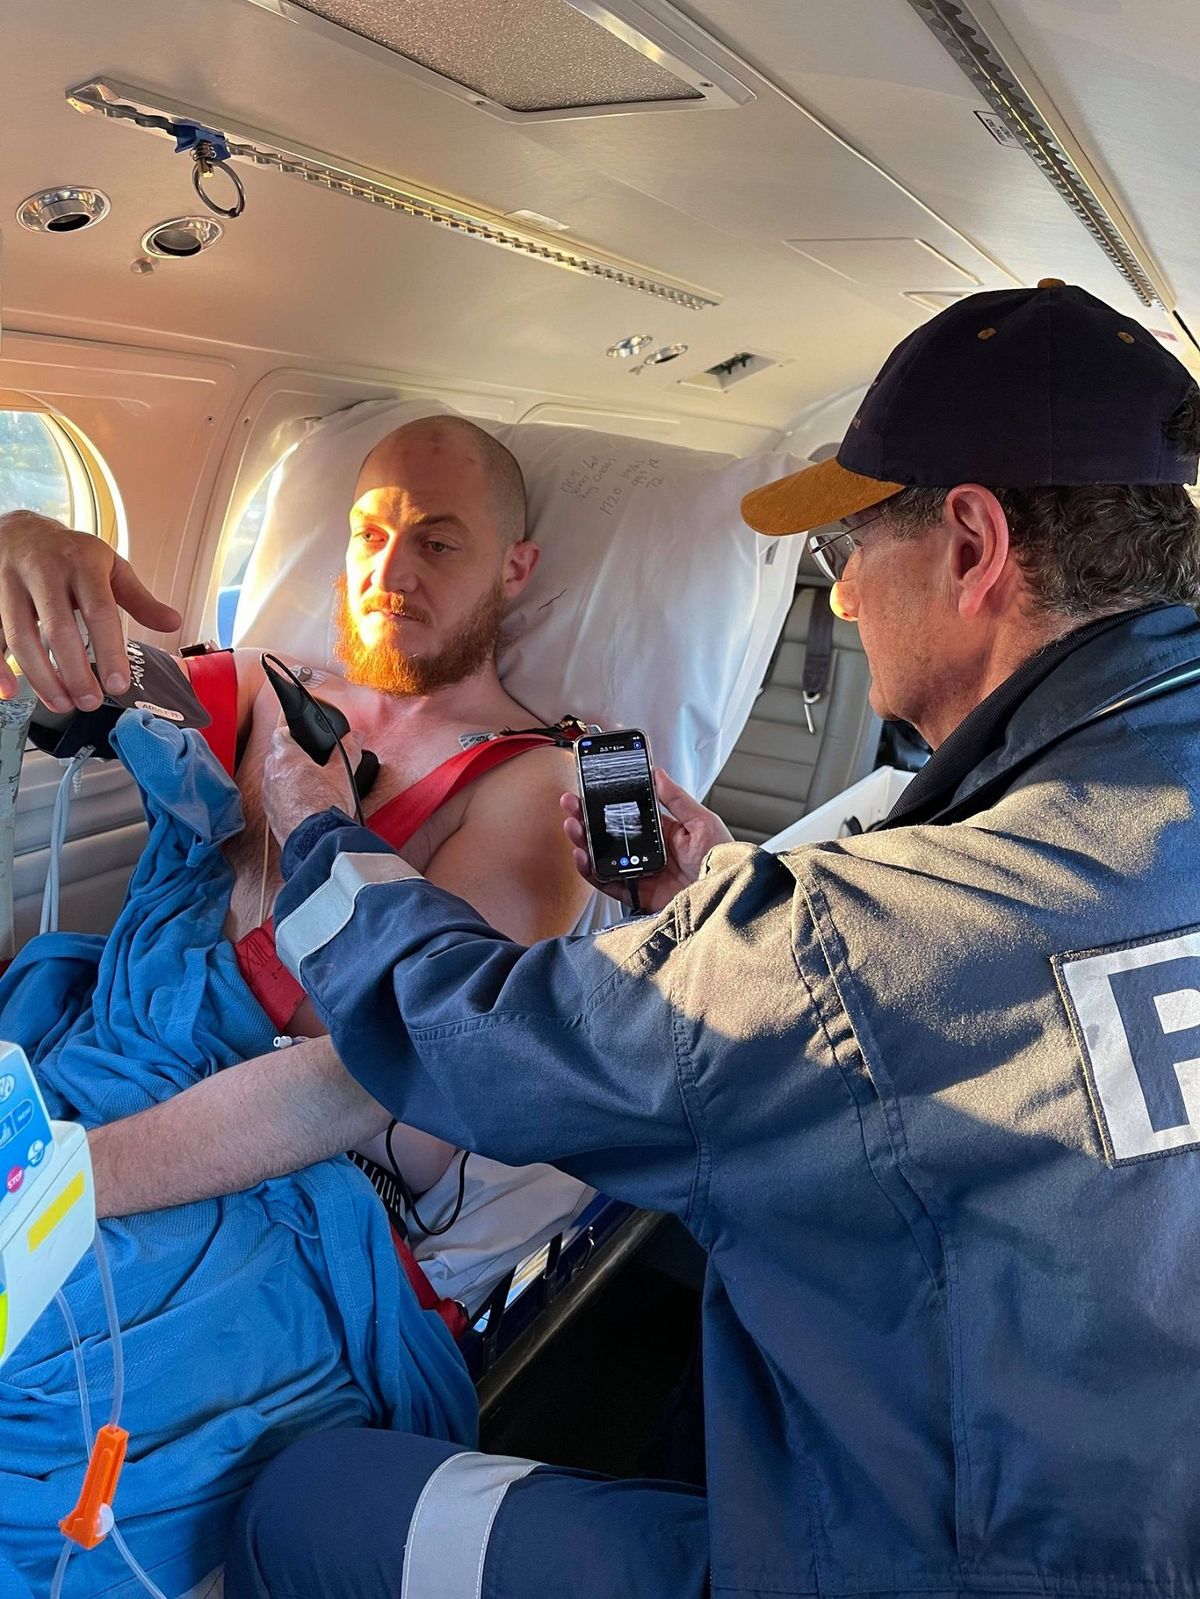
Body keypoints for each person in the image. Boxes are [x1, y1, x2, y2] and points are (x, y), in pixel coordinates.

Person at [213, 281, 1200, 1599]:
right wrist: (729, 888)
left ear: (971, 545)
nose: (842, 599)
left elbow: (468, 1038)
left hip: (908, 1559)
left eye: (851, 545)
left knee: (302, 1499)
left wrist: (320, 833)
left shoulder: (869, 938)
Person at [0, 414, 593, 1210]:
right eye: (370, 534)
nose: (392, 573)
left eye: (437, 544)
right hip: (90, 1061)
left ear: (515, 569)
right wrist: (26, 547)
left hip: (260, 1180)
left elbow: (392, 1064)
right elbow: (88, 675)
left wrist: (53, 1192)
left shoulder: (532, 783)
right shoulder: (263, 688)